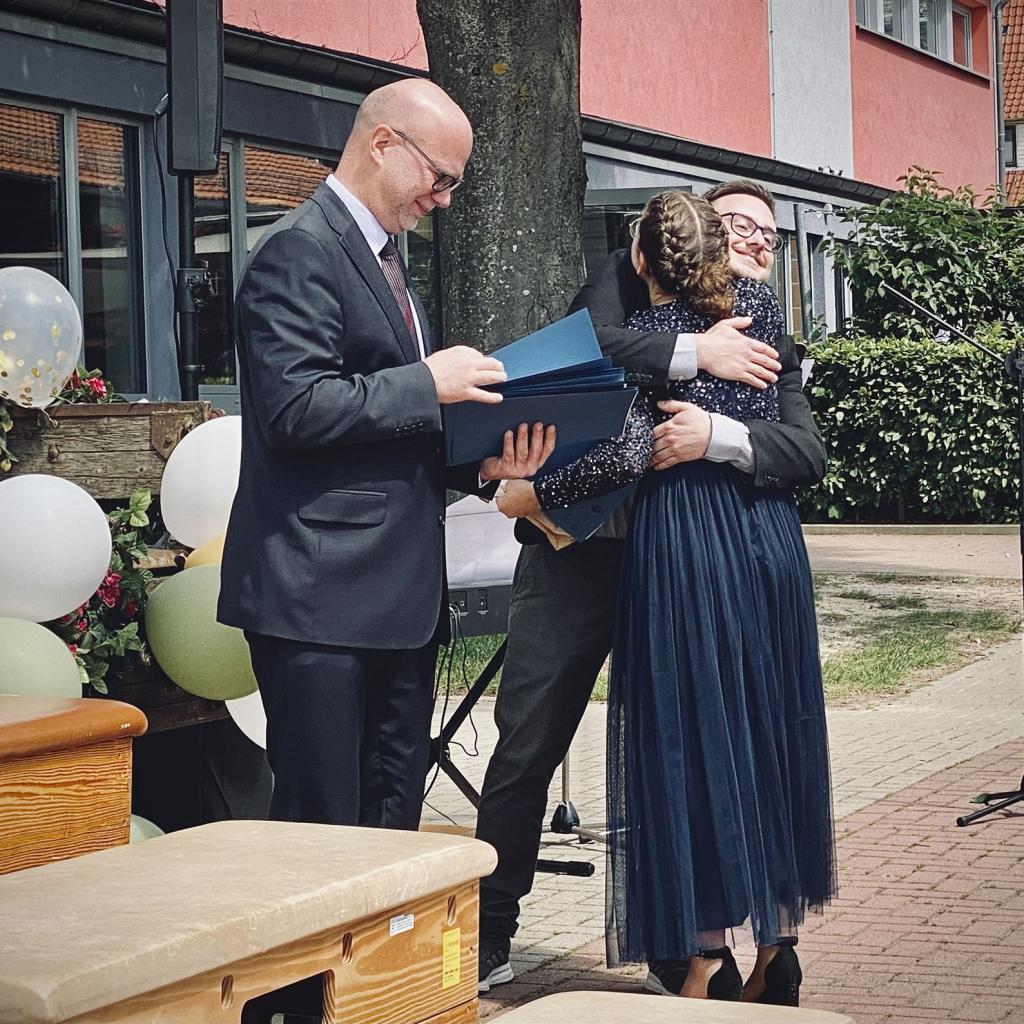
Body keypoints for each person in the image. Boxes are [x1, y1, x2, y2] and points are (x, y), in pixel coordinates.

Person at [474, 179, 826, 994]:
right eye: (737, 224)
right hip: (579, 558)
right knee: (528, 742)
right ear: (699, 232)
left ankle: (682, 950)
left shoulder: (764, 329)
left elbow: (804, 451)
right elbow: (592, 342)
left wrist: (719, 433)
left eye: (768, 234)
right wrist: (695, 353)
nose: (753, 240)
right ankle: (490, 928)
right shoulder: (623, 278)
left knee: (676, 751)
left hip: (687, 570)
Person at [218, 79, 554, 832]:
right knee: (324, 828)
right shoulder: (298, 249)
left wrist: (481, 466)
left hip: (393, 601)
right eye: (440, 177)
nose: (444, 199)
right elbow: (295, 409)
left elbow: (384, 431)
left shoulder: (384, 260)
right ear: (382, 144)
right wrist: (428, 381)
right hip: (319, 601)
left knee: (391, 822)